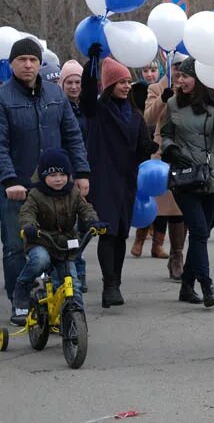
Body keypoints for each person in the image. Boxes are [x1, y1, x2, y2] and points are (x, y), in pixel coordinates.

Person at [0, 38, 90, 324]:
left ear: (40, 63)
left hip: (56, 188)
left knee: (61, 244)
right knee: (17, 246)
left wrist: (82, 172)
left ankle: (60, 303)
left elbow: (73, 135)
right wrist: (10, 178)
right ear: (12, 64)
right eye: (22, 60)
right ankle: (20, 301)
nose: (28, 65)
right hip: (17, 187)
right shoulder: (3, 97)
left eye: (33, 60)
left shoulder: (55, 94)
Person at [81, 47, 158, 309]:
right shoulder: (99, 111)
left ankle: (115, 284)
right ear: (110, 84)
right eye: (121, 82)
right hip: (103, 178)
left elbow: (139, 148)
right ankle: (110, 284)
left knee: (122, 232)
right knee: (108, 232)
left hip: (126, 180)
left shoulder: (134, 115)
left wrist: (148, 149)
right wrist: (91, 62)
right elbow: (89, 94)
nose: (126, 86)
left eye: (128, 81)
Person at [159, 57, 214, 307]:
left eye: (185, 76)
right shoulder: (173, 103)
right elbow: (166, 133)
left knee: (202, 234)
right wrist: (170, 149)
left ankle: (186, 286)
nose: (180, 80)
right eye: (179, 76)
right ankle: (206, 284)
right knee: (199, 231)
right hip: (186, 176)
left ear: (200, 78)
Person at [11, 148, 106, 323]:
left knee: (73, 284)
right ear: (42, 176)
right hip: (41, 240)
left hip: (65, 245)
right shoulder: (35, 194)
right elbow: (27, 213)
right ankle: (23, 284)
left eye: (62, 174)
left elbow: (85, 209)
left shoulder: (73, 193)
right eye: (52, 174)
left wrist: (94, 222)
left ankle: (76, 319)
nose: (58, 179)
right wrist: (29, 226)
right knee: (41, 259)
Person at [141, 54, 190, 274]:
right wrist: (163, 97)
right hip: (163, 154)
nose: (180, 72)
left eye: (184, 68)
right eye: (176, 67)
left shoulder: (195, 85)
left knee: (182, 208)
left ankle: (177, 256)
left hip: (188, 151)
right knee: (165, 206)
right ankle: (154, 244)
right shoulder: (155, 88)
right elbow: (147, 118)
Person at [58, 59, 90, 292]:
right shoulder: (57, 107)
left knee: (83, 225)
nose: (73, 86)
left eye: (78, 81)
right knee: (68, 224)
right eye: (69, 82)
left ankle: (76, 264)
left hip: (86, 172)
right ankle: (75, 269)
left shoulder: (89, 108)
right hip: (63, 174)